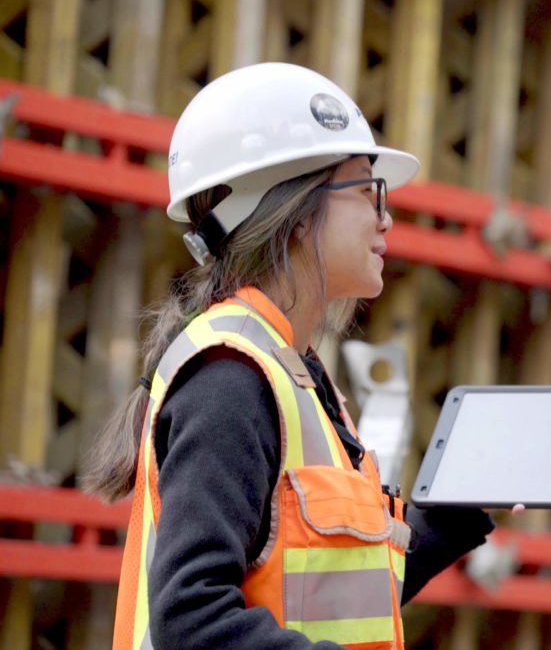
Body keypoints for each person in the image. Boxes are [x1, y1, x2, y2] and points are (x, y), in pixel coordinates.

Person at [85, 62, 495, 649]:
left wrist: (461, 511)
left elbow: (334, 599)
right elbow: (192, 620)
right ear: (298, 214)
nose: (387, 216)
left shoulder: (292, 377)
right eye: (365, 189)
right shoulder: (231, 381)